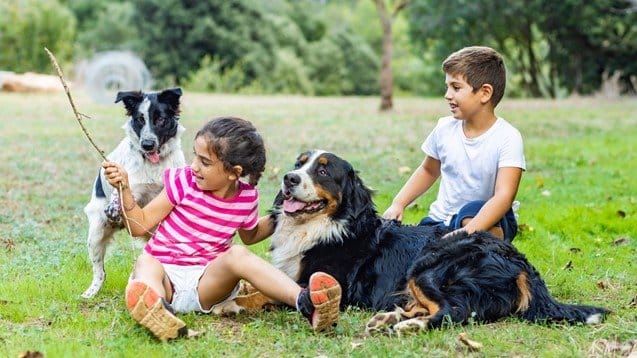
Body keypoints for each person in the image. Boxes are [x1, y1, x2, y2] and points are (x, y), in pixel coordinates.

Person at [102, 116, 341, 341]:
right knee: (147, 261)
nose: (194, 166)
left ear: (234, 173)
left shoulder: (246, 198)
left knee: (237, 254)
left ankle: (306, 303)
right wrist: (124, 189)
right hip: (165, 279)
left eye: (205, 162)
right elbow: (139, 226)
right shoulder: (182, 181)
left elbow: (250, 236)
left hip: (208, 283)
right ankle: (157, 310)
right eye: (195, 157)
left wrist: (288, 214)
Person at [383, 46, 525, 242]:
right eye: (447, 87)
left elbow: (504, 196)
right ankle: (457, 246)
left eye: (456, 88)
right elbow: (428, 170)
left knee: (469, 213)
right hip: (442, 221)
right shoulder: (444, 129)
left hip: (490, 219)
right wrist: (399, 203)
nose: (447, 95)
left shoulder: (507, 137)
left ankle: (490, 245)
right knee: (410, 248)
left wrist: (463, 234)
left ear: (485, 93)